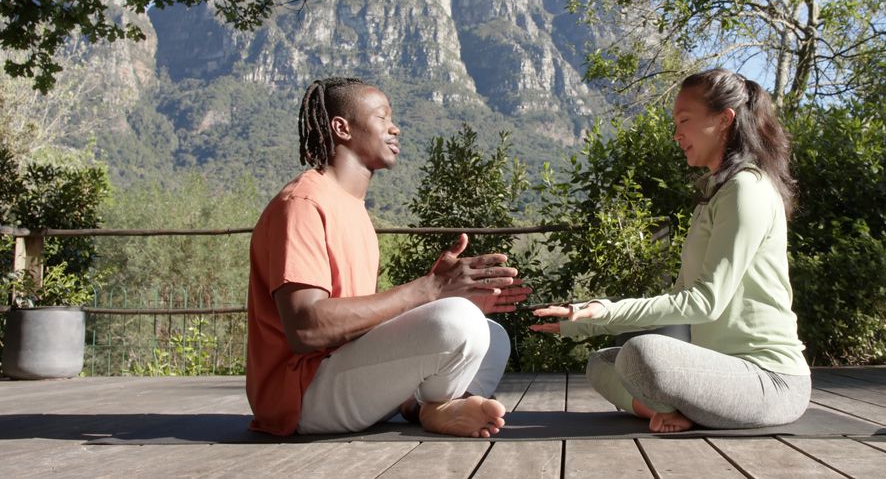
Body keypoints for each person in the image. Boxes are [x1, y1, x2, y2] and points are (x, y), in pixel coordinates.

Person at [246, 77, 530, 437]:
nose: (395, 128)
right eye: (382, 117)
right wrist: (428, 291)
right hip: (300, 395)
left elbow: (358, 321)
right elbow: (307, 328)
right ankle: (435, 405)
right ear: (341, 128)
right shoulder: (303, 204)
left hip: (341, 374)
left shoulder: (353, 209)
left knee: (490, 333)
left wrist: (442, 295)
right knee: (459, 322)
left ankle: (427, 407)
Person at [531, 68, 811, 433]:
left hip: (770, 381)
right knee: (602, 363)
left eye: (684, 120)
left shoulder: (747, 190)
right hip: (717, 370)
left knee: (641, 355)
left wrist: (606, 310)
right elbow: (681, 300)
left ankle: (680, 408)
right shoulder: (716, 192)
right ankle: (667, 412)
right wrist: (585, 321)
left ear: (724, 121)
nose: (676, 133)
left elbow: (705, 302)